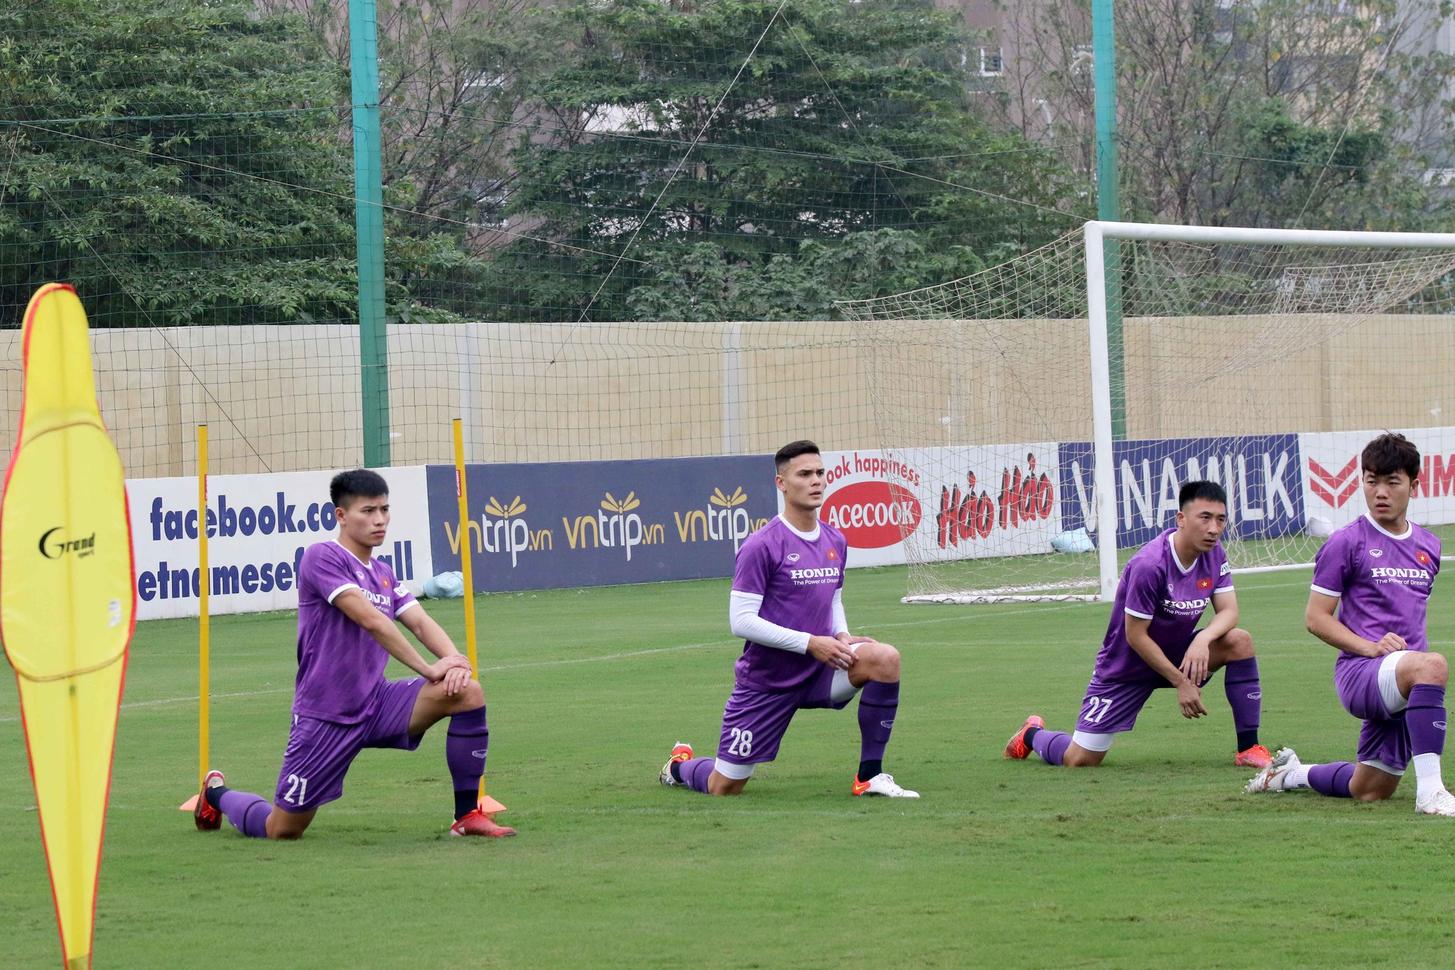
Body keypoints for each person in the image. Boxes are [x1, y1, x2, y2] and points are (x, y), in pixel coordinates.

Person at [192, 469, 515, 838]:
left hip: (377, 703)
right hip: (324, 714)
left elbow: (421, 622)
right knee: (282, 830)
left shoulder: (383, 573)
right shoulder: (321, 557)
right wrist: (429, 669)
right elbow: (372, 621)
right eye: (368, 511)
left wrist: (456, 662)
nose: (379, 520)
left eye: (384, 509)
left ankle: (466, 816)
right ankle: (215, 793)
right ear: (341, 515)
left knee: (467, 692)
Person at [660, 440, 918, 798]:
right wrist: (810, 643)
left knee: (885, 658)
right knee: (724, 787)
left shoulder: (835, 539)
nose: (816, 481)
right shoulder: (761, 545)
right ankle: (678, 766)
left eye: (820, 473)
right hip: (768, 681)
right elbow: (741, 621)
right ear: (781, 483)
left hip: (822, 669)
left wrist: (841, 634)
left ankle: (869, 777)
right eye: (804, 474)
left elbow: (833, 597)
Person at [1245, 433, 1455, 815]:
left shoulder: (1429, 545)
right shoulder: (1347, 542)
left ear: (1414, 485)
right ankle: (1431, 793)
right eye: (1372, 481)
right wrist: (1370, 647)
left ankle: (1290, 774)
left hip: (1403, 680)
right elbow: (1315, 618)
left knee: (1369, 789)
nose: (1380, 492)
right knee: (1434, 666)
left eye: (1392, 482)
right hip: (1361, 672)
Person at [1004, 480, 1270, 769]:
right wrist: (1181, 682)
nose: (1214, 529)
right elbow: (1135, 635)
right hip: (1126, 667)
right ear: (1181, 519)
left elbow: (1229, 611)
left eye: (1220, 520)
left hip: (1178, 656)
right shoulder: (1150, 564)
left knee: (1239, 641)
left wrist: (1202, 639)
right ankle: (1031, 734)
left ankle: (1248, 748)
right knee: (1079, 760)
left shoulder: (1214, 553)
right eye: (1204, 518)